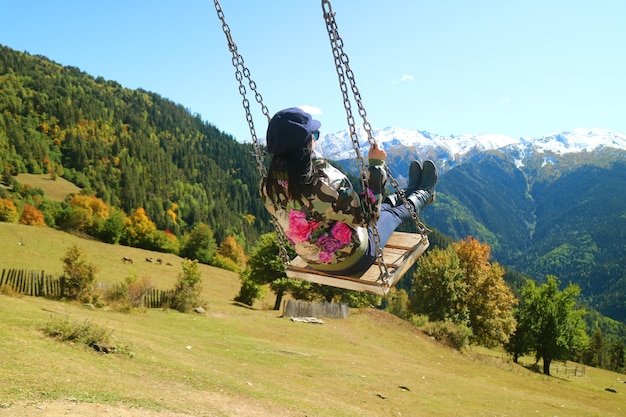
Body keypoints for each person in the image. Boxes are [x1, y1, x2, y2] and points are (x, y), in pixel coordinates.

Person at [260, 107, 437, 276]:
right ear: (305, 144)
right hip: (352, 258)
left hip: (311, 258)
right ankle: (424, 192)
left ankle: (410, 190)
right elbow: (367, 218)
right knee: (392, 215)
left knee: (382, 207)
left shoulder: (267, 186)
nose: (316, 139)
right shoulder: (324, 183)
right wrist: (376, 167)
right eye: (314, 135)